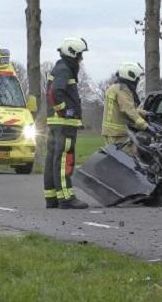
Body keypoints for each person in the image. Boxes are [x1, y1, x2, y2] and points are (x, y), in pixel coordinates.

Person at [43, 37, 90, 210]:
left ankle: (52, 197)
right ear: (72, 53)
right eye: (80, 55)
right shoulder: (64, 70)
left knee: (53, 160)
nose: (81, 59)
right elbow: (55, 92)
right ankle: (66, 198)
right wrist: (65, 111)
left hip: (57, 124)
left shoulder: (60, 68)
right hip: (64, 124)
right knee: (64, 159)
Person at [102, 62, 157, 149]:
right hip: (116, 133)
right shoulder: (122, 89)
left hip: (112, 132)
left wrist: (144, 113)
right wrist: (146, 127)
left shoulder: (115, 87)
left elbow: (126, 108)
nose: (138, 80)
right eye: (137, 78)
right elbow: (129, 110)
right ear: (131, 76)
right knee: (127, 157)